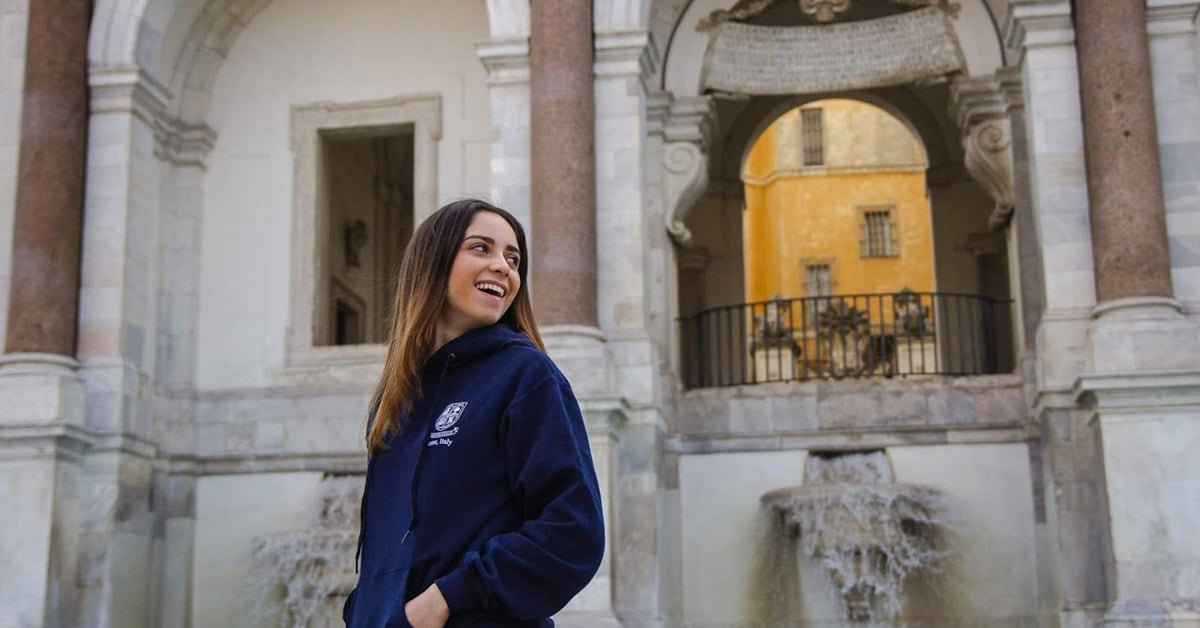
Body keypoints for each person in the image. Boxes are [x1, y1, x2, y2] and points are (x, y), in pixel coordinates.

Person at [342, 199, 606, 628]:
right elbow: (383, 552)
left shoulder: (526, 377)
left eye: (513, 257)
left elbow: (573, 532)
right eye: (481, 248)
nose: (504, 266)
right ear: (433, 263)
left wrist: (445, 598)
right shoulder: (394, 402)